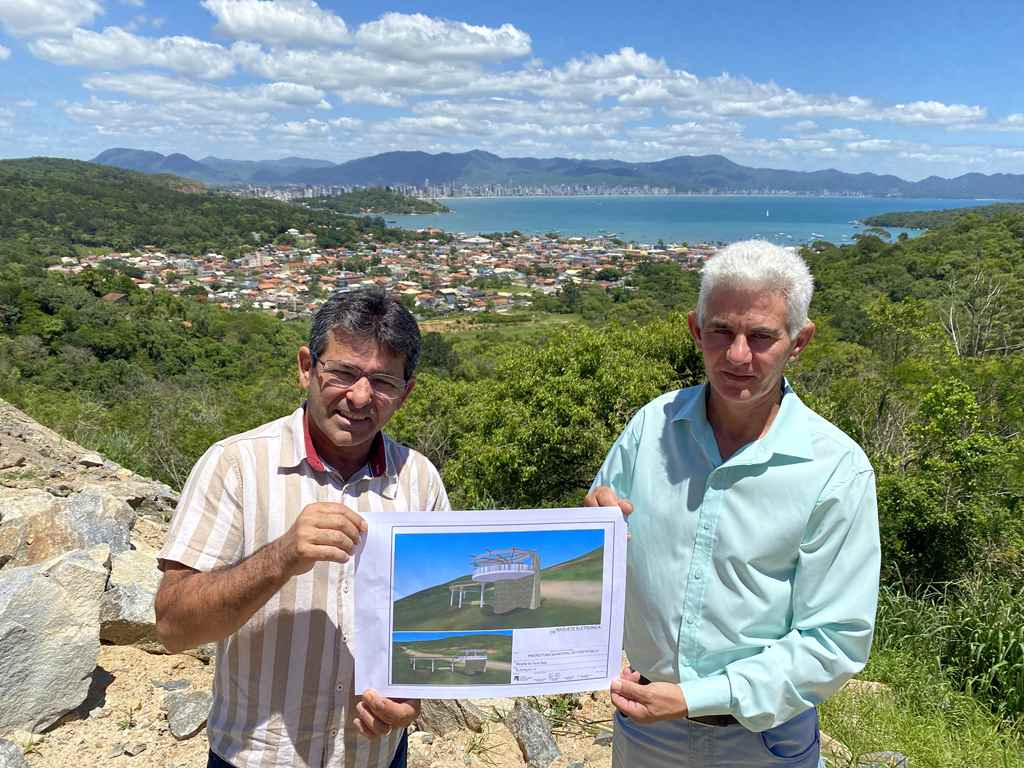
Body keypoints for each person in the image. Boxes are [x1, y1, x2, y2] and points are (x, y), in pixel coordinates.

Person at [586, 240, 880, 767]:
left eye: (762, 336)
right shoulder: (650, 429)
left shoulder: (836, 468)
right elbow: (597, 564)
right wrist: (591, 532)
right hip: (645, 728)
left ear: (799, 341)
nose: (738, 354)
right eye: (722, 331)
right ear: (697, 331)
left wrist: (695, 696)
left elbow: (833, 639)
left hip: (764, 741)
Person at [155, 290, 450, 768]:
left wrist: (410, 699)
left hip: (374, 756)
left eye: (381, 381)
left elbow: (435, 623)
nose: (359, 396)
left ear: (405, 392)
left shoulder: (420, 481)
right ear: (306, 368)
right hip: (255, 757)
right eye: (343, 373)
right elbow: (173, 628)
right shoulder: (237, 465)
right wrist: (280, 557)